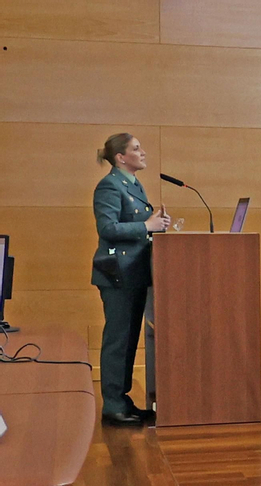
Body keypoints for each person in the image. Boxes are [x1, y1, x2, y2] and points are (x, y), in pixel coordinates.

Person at [91, 133, 169, 425]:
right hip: (117, 275)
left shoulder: (132, 184)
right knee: (118, 341)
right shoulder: (110, 185)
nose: (143, 152)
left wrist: (156, 225)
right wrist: (146, 225)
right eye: (136, 149)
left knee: (128, 341)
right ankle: (112, 406)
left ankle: (122, 401)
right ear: (120, 157)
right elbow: (108, 228)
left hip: (133, 273)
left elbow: (135, 225)